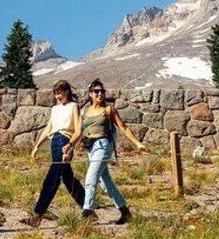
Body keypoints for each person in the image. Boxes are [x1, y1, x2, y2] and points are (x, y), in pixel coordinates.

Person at [65, 78, 146, 224]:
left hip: (103, 146)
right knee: (105, 183)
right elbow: (78, 132)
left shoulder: (108, 110)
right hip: (90, 148)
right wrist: (70, 144)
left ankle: (87, 212)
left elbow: (123, 127)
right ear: (90, 94)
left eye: (102, 91)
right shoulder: (85, 112)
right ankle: (124, 211)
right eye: (96, 91)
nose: (99, 94)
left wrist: (137, 144)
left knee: (90, 178)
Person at [21, 80, 86, 228]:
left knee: (52, 178)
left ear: (67, 92)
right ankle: (88, 210)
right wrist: (37, 145)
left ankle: (38, 215)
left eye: (59, 92)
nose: (57, 96)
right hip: (54, 141)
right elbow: (48, 128)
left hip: (64, 141)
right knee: (68, 179)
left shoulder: (73, 106)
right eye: (55, 93)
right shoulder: (55, 109)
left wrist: (70, 147)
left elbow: (78, 130)